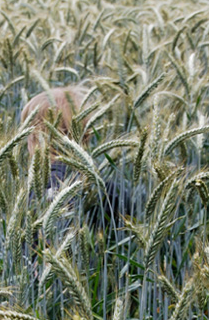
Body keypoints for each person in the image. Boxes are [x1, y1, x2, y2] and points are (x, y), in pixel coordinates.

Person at [20, 85, 130, 228]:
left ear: (36, 137)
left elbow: (35, 245)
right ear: (86, 133)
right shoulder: (111, 189)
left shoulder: (42, 189)